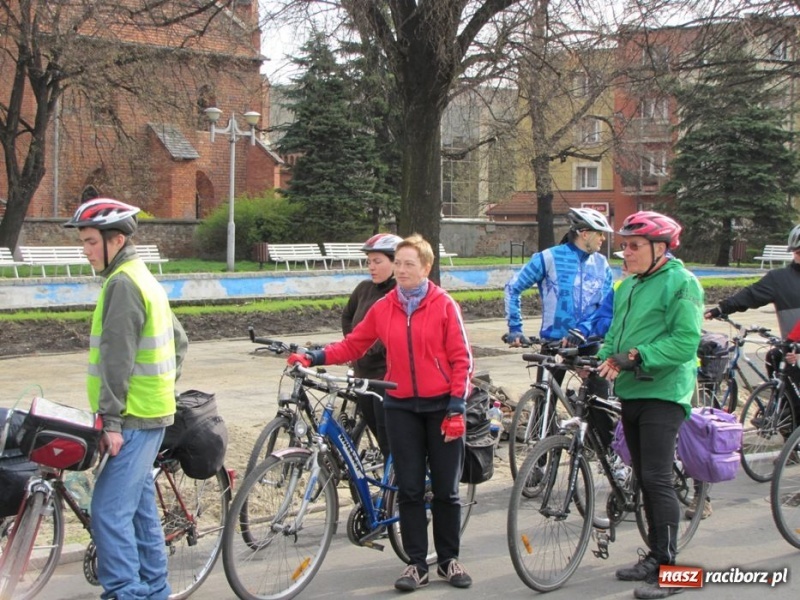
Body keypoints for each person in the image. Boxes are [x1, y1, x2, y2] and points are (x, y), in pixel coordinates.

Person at [287, 234, 474, 592]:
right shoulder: (386, 305)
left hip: (442, 408)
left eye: (409, 264)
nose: (402, 271)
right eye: (399, 263)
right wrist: (314, 356)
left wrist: (456, 406)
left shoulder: (444, 305)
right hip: (400, 405)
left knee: (448, 490)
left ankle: (449, 560)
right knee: (409, 488)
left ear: (426, 269)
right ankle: (417, 564)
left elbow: (462, 359)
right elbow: (353, 343)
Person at [64, 198, 188, 600]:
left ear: (115, 239)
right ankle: (154, 589)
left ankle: (127, 593)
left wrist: (112, 421)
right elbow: (180, 341)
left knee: (108, 511)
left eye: (88, 242)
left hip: (132, 419)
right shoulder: (141, 276)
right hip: (150, 412)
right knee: (136, 508)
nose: (84, 251)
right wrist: (163, 386)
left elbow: (116, 359)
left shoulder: (121, 284)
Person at [597, 211, 703, 600]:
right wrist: (607, 358)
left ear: (661, 248)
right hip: (633, 391)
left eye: (635, 245)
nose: (626, 252)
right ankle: (656, 556)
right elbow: (615, 333)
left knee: (656, 477)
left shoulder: (682, 283)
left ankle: (672, 571)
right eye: (624, 245)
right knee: (642, 475)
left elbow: (685, 342)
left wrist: (638, 355)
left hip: (666, 392)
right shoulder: (627, 287)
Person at [505, 207, 615, 444]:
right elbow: (513, 287)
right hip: (554, 342)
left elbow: (606, 306)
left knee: (600, 401)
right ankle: (539, 462)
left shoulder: (602, 264)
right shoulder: (549, 257)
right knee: (544, 403)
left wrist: (583, 331)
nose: (603, 238)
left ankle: (608, 452)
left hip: (590, 344)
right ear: (585, 233)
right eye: (600, 233)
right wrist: (515, 327)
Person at [340, 233, 403, 459]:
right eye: (369, 262)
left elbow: (396, 333)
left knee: (390, 440)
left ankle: (398, 488)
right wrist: (355, 344)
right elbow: (347, 316)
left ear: (395, 262)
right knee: (377, 432)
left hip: (385, 378)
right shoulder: (364, 289)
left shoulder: (398, 294)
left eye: (378, 262)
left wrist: (370, 347)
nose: (371, 267)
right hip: (362, 374)